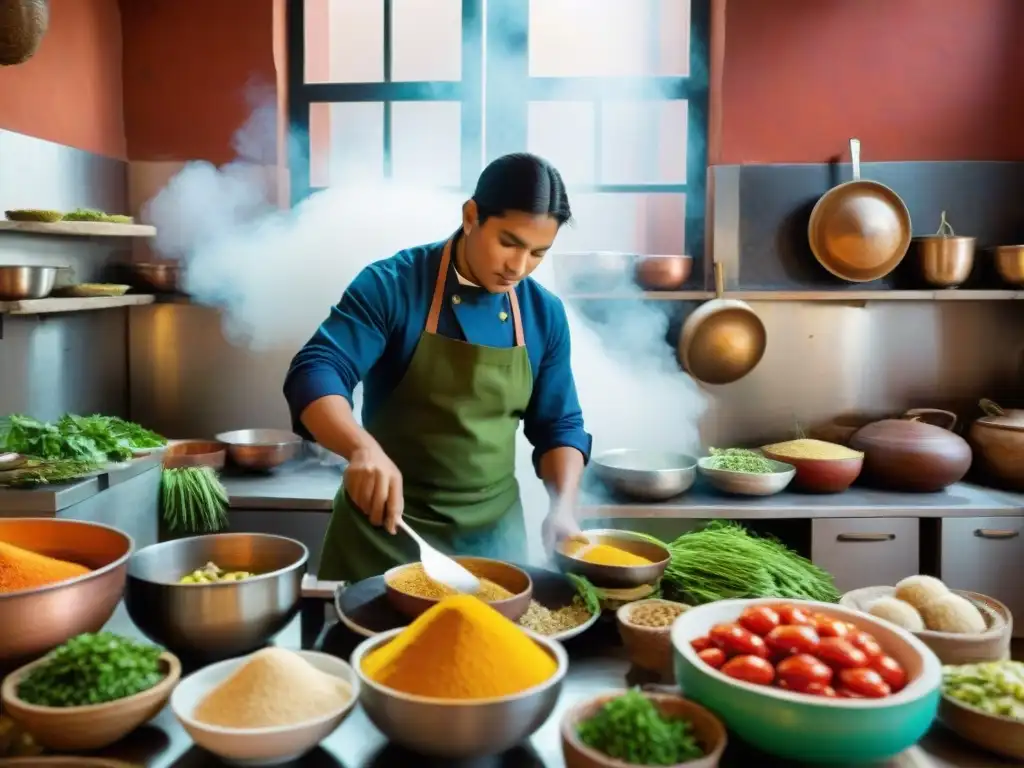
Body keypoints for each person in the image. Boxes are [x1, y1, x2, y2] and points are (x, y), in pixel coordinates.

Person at [283, 153, 593, 582]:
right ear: (471, 216)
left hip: (494, 545)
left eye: (538, 253)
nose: (518, 268)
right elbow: (317, 369)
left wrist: (562, 509)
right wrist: (360, 448)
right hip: (385, 537)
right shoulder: (391, 285)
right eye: (509, 242)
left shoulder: (544, 314)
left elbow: (559, 426)